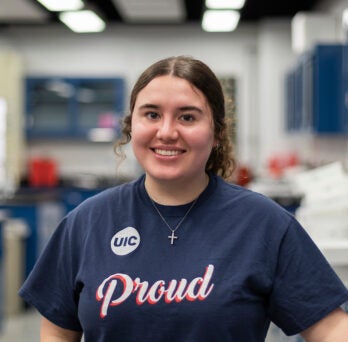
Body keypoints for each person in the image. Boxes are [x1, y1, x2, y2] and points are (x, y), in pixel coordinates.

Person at [19, 56, 348, 341]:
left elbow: (332, 329)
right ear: (131, 125)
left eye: (187, 117)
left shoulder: (264, 224)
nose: (166, 132)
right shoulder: (87, 222)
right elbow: (58, 330)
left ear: (217, 133)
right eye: (151, 114)